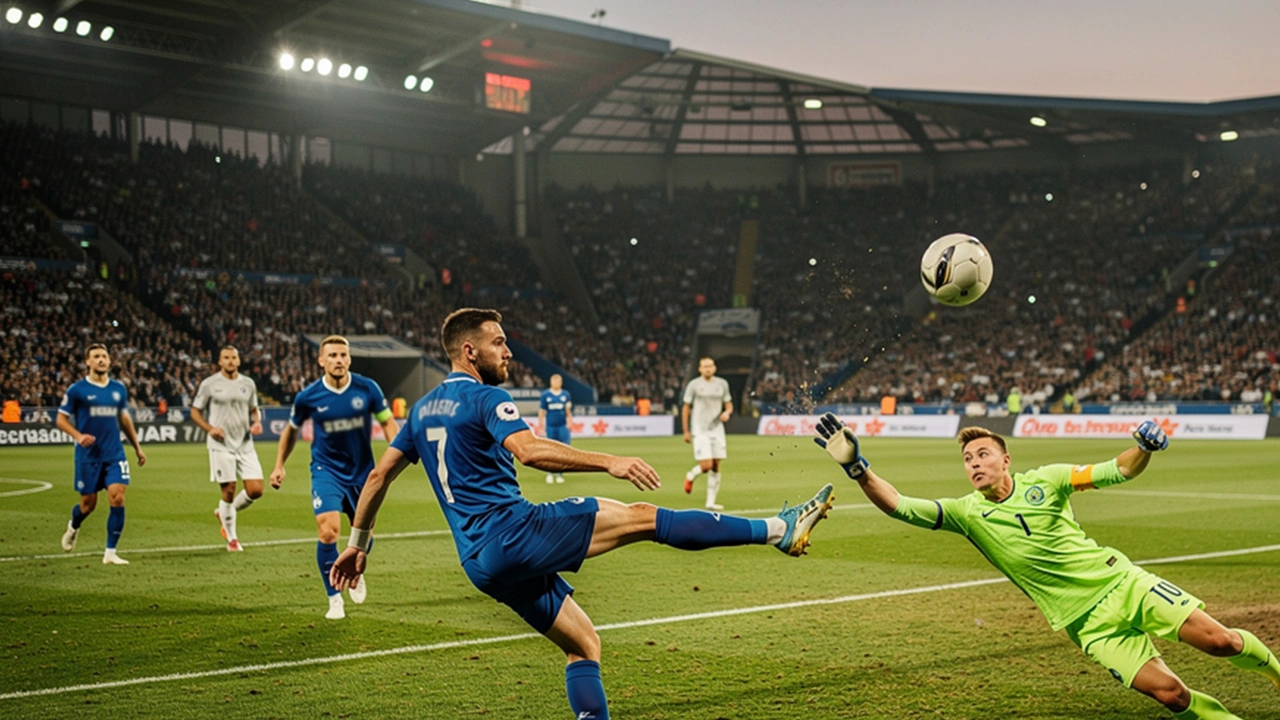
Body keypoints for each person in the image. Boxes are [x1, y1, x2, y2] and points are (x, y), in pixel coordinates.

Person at [330, 308, 834, 720]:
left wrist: (357, 545)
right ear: (470, 351)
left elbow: (377, 478)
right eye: (499, 343)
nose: (508, 351)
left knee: (584, 645)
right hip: (515, 533)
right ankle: (779, 530)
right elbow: (529, 451)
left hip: (479, 564)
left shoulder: (420, 411)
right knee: (644, 517)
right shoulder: (485, 397)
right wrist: (609, 461)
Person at [813, 413, 1280, 719]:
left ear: (1005, 460)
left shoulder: (1048, 480)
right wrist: (858, 468)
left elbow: (1117, 469)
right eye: (967, 459)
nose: (974, 463)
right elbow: (898, 505)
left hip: (1122, 583)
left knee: (1221, 642)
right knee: (1171, 695)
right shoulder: (965, 513)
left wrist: (1144, 447)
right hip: (1085, 624)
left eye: (982, 454)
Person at [270, 335, 399, 620]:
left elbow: (388, 422)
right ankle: (334, 598)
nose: (338, 360)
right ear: (321, 361)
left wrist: (397, 453)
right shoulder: (308, 396)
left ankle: (355, 568)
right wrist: (279, 465)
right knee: (328, 531)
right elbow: (291, 431)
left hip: (363, 473)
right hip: (325, 471)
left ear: (349, 359)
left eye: (343, 355)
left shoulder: (367, 388)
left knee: (363, 534)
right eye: (332, 356)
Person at [56, 343, 147, 565]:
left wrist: (137, 447)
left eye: (104, 356)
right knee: (87, 506)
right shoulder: (77, 390)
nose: (101, 360)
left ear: (109, 361)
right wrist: (78, 436)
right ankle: (73, 526)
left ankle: (110, 552)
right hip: (88, 456)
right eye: (96, 356)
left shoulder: (118, 389)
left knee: (118, 496)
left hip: (114, 454)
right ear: (87, 362)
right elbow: (60, 419)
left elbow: (124, 419)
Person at [190, 346, 264, 552]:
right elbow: (195, 412)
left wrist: (256, 422)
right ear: (220, 362)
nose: (230, 361)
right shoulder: (209, 384)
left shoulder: (248, 384)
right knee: (229, 489)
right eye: (226, 358)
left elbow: (254, 409)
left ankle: (223, 513)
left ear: (239, 361)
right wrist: (210, 429)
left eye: (234, 357)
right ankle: (232, 539)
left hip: (245, 443)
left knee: (256, 490)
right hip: (220, 445)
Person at [681, 357, 733, 510]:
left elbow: (728, 404)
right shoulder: (694, 385)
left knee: (716, 466)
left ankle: (710, 502)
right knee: (706, 465)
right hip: (700, 429)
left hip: (717, 429)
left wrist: (727, 413)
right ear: (700, 369)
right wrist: (686, 431)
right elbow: (686, 407)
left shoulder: (722, 384)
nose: (708, 369)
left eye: (710, 366)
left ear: (714, 368)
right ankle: (691, 475)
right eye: (705, 366)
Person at [538, 373, 573, 485]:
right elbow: (542, 410)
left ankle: (559, 473)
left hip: (562, 426)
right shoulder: (546, 395)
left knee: (563, 449)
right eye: (555, 381)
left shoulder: (565, 394)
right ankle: (549, 472)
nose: (556, 383)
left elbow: (568, 410)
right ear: (551, 382)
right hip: (551, 426)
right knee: (551, 450)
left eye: (558, 381)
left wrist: (570, 421)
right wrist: (540, 423)